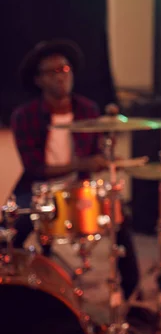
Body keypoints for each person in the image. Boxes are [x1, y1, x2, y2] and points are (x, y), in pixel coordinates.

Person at [9, 39, 142, 305]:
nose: (61, 76)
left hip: (78, 189)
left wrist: (105, 157)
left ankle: (133, 294)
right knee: (11, 231)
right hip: (38, 189)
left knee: (118, 217)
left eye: (65, 69)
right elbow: (34, 167)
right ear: (38, 80)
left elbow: (95, 155)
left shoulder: (87, 110)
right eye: (53, 71)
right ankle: (18, 296)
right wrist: (82, 164)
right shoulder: (24, 116)